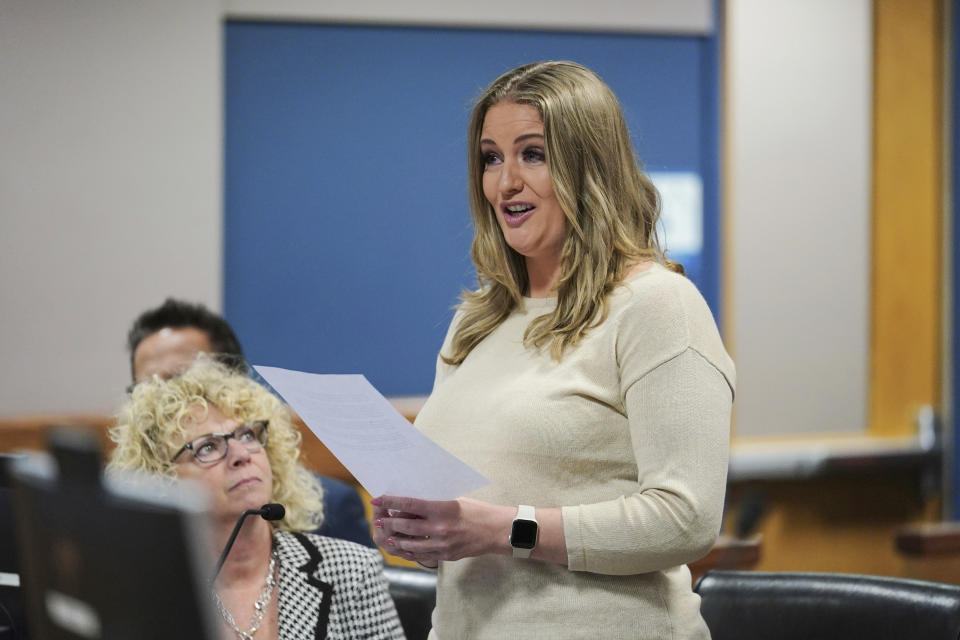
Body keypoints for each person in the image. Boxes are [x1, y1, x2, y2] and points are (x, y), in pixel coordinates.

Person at [371, 61, 735, 639]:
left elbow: (685, 520)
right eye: (491, 157)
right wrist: (427, 536)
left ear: (588, 166)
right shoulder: (477, 320)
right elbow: (472, 520)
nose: (505, 183)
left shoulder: (658, 306)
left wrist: (501, 530)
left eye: (531, 154)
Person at [109, 359, 405, 640]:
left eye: (248, 435)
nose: (241, 455)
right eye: (208, 447)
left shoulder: (352, 571)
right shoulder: (143, 592)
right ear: (161, 480)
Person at [126, 298, 376, 548]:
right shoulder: (132, 525)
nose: (165, 398)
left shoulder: (331, 511)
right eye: (147, 388)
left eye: (182, 379)